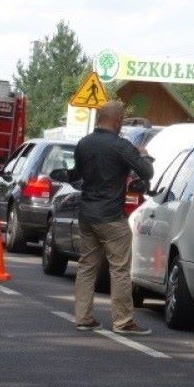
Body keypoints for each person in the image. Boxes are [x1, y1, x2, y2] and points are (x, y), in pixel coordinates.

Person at [73, 101, 154, 335]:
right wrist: (144, 155)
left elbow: (78, 174)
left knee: (87, 266)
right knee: (119, 269)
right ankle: (123, 321)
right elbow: (146, 173)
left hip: (87, 215)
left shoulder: (84, 144)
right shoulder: (121, 146)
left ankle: (83, 317)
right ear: (117, 121)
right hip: (110, 218)